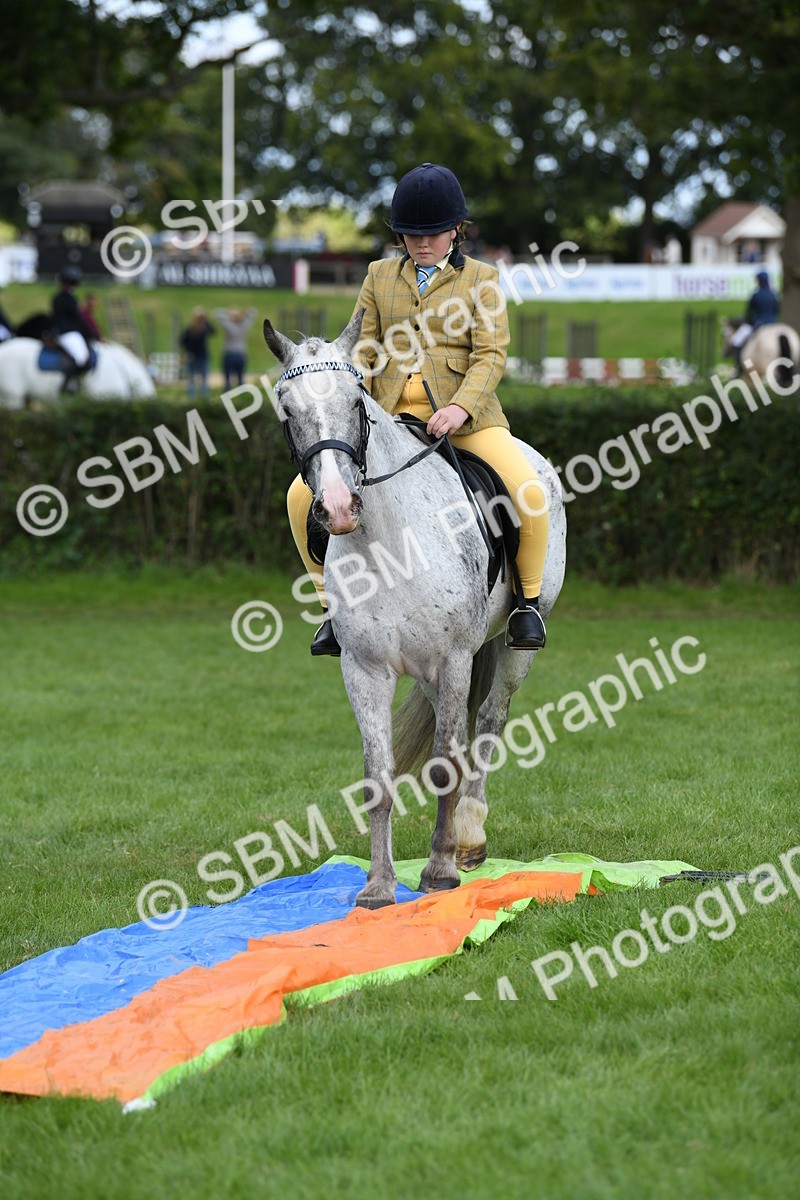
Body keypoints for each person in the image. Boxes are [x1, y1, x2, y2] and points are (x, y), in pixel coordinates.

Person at [287, 161, 550, 657]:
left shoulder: (483, 280)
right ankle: (330, 609)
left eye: (431, 233)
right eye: (410, 234)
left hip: (464, 420)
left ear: (456, 230)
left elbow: (491, 355)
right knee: (300, 498)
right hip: (387, 421)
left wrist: (459, 409)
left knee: (528, 488)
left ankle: (527, 603)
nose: (421, 243)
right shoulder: (379, 275)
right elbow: (360, 346)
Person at [51, 265, 96, 393]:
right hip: (67, 333)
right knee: (81, 357)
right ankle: (69, 384)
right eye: (69, 283)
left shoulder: (58, 298)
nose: (70, 285)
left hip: (63, 332)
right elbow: (78, 319)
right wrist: (92, 334)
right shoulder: (68, 299)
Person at [729, 270, 780, 373]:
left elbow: (749, 313)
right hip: (774, 323)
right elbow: (777, 310)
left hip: (759, 323)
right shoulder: (774, 295)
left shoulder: (756, 295)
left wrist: (748, 321)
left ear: (759, 281)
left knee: (737, 341)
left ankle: (739, 367)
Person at [214, 306, 256, 389]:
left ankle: (227, 394)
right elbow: (253, 312)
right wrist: (244, 314)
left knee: (227, 378)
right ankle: (240, 395)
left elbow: (217, 313)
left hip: (229, 354)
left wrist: (228, 313)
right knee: (240, 377)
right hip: (241, 354)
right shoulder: (244, 326)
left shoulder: (228, 325)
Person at [180, 308, 215, 399]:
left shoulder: (203, 328)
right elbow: (182, 341)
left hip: (201, 356)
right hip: (195, 356)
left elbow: (213, 331)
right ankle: (195, 397)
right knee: (194, 379)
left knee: (202, 379)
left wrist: (206, 320)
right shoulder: (190, 329)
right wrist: (188, 351)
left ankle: (203, 397)